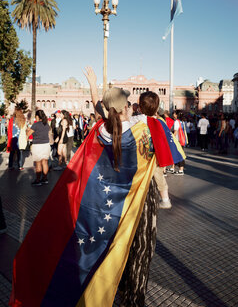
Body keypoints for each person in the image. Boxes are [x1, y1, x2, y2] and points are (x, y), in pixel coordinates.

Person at [9, 67, 183, 307]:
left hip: (112, 205)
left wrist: (93, 88)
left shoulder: (105, 129)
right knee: (142, 249)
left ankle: (117, 286)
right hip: (142, 199)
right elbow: (171, 157)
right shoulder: (148, 128)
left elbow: (100, 108)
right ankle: (134, 299)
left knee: (116, 245)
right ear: (126, 107)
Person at [26, 110, 51, 185]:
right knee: (45, 162)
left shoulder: (35, 125)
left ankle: (38, 180)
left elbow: (28, 134)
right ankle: (45, 179)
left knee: (38, 163)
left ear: (37, 116)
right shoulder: (46, 124)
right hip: (46, 144)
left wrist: (27, 130)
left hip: (37, 145)